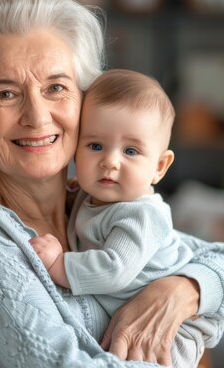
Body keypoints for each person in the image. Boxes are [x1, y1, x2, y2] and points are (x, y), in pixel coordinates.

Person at [0, 0, 224, 368]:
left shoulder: (93, 199)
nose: (37, 116)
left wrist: (180, 290)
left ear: (84, 105)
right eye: (6, 93)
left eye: (56, 88)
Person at [29, 69, 186, 318]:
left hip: (170, 327)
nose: (110, 162)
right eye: (95, 146)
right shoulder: (93, 194)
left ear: (159, 167)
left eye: (131, 151)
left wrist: (59, 263)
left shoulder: (141, 215)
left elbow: (114, 270)